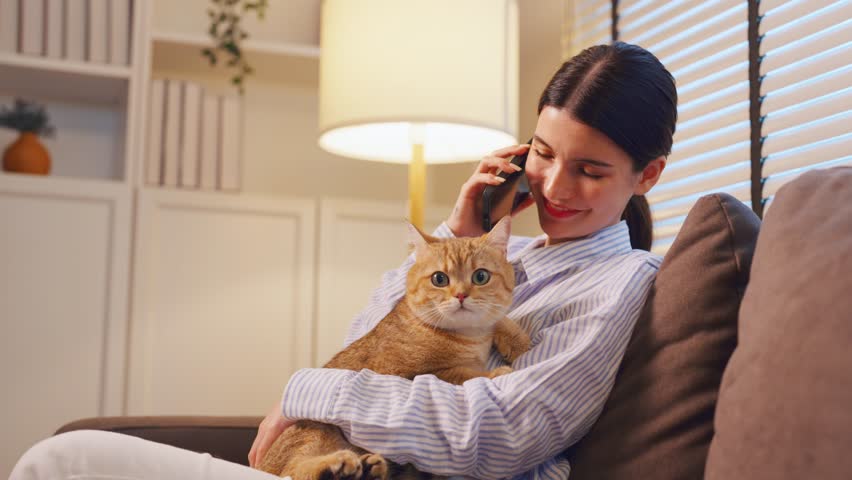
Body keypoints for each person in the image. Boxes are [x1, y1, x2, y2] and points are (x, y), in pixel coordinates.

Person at [10, 41, 676, 480]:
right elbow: (367, 343)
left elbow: (497, 432)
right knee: (60, 458)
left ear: (646, 176)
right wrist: (457, 230)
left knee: (63, 463)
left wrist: (307, 388)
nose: (554, 187)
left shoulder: (620, 282)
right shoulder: (501, 252)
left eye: (589, 171)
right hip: (348, 465)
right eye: (543, 153)